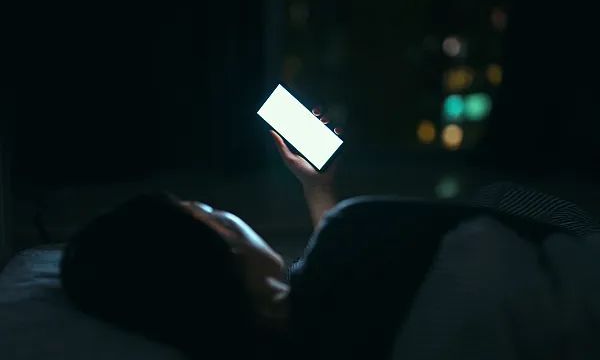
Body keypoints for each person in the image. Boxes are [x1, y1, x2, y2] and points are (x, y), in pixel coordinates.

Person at [60, 112, 600, 360]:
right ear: (220, 240)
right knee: (498, 197)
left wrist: (318, 189)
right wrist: (335, 209)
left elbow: (352, 296)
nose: (226, 216)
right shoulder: (351, 231)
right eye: (210, 212)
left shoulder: (288, 337)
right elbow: (366, 263)